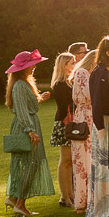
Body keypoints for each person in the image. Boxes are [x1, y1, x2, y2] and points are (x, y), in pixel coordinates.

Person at [3, 50, 55, 217]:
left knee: (27, 164)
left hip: (29, 124)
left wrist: (39, 98)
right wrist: (30, 130)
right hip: (26, 126)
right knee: (29, 165)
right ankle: (20, 203)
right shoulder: (19, 85)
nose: (34, 68)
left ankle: (13, 198)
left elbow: (26, 105)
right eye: (31, 65)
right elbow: (21, 110)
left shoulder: (24, 83)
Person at [88, 35, 109, 217]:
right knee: (104, 165)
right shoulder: (99, 73)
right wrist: (100, 127)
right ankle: (103, 206)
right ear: (107, 52)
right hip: (103, 122)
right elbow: (96, 102)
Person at [70, 49, 96, 213]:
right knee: (82, 159)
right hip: (85, 115)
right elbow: (88, 94)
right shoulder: (82, 72)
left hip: (89, 114)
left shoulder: (86, 72)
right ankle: (82, 200)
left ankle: (90, 197)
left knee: (90, 156)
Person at [48, 52, 76, 208]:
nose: (73, 66)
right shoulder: (60, 83)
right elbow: (64, 104)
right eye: (71, 63)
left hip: (70, 122)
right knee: (65, 160)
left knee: (70, 161)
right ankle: (64, 196)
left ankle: (70, 193)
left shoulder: (69, 82)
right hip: (64, 123)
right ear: (64, 65)